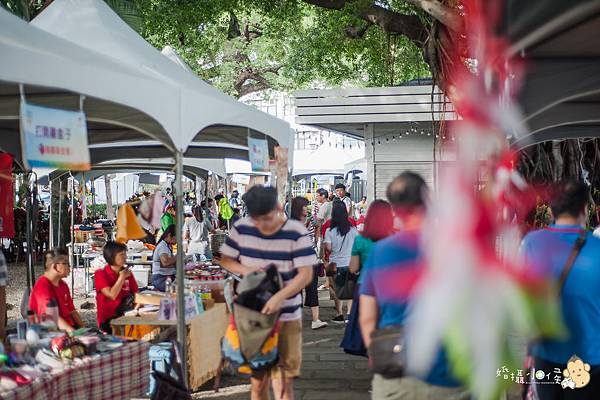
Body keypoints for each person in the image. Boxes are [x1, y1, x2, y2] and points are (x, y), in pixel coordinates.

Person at [359, 172, 466, 399]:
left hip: (397, 374)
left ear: (395, 210)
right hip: (450, 371)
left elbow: (367, 317)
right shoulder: (458, 248)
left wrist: (376, 352)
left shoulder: (380, 252)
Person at [220, 185, 315, 400]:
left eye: (267, 218)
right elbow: (226, 259)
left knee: (283, 384)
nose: (261, 225)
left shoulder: (295, 231)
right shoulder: (242, 228)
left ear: (279, 208)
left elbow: (306, 274)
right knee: (258, 383)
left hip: (288, 315)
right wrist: (248, 271)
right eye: (256, 219)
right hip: (254, 317)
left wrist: (279, 296)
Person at [520, 181, 600, 399]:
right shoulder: (597, 248)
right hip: (590, 359)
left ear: (552, 209)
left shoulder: (531, 244)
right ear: (585, 208)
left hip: (546, 354)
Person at [341, 200, 395, 356]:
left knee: (367, 325)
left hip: (365, 285)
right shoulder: (396, 237)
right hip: (390, 288)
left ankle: (372, 356)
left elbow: (353, 268)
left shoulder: (360, 239)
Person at [291, 197, 327, 330]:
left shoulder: (309, 219)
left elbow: (316, 230)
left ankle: (315, 319)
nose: (307, 208)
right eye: (305, 206)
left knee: (312, 288)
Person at [29, 248, 84, 332]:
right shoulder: (42, 286)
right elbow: (53, 317)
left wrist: (84, 329)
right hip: (52, 332)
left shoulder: (63, 285)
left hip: (68, 328)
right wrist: (74, 334)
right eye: (66, 264)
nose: (69, 267)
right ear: (55, 267)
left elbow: (72, 311)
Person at [323, 199, 358, 323]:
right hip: (350, 263)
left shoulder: (329, 231)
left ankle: (339, 314)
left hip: (334, 264)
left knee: (336, 289)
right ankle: (349, 314)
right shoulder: (353, 230)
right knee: (350, 290)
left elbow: (328, 248)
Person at [95, 241, 139, 332]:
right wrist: (122, 277)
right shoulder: (100, 274)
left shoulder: (128, 274)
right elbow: (112, 295)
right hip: (108, 320)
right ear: (111, 256)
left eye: (125, 254)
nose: (125, 257)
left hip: (127, 315)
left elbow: (136, 294)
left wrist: (137, 308)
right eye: (121, 254)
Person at [151, 225, 177, 291]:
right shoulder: (162, 246)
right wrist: (178, 256)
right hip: (161, 279)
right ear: (170, 235)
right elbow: (165, 262)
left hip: (166, 277)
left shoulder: (167, 245)